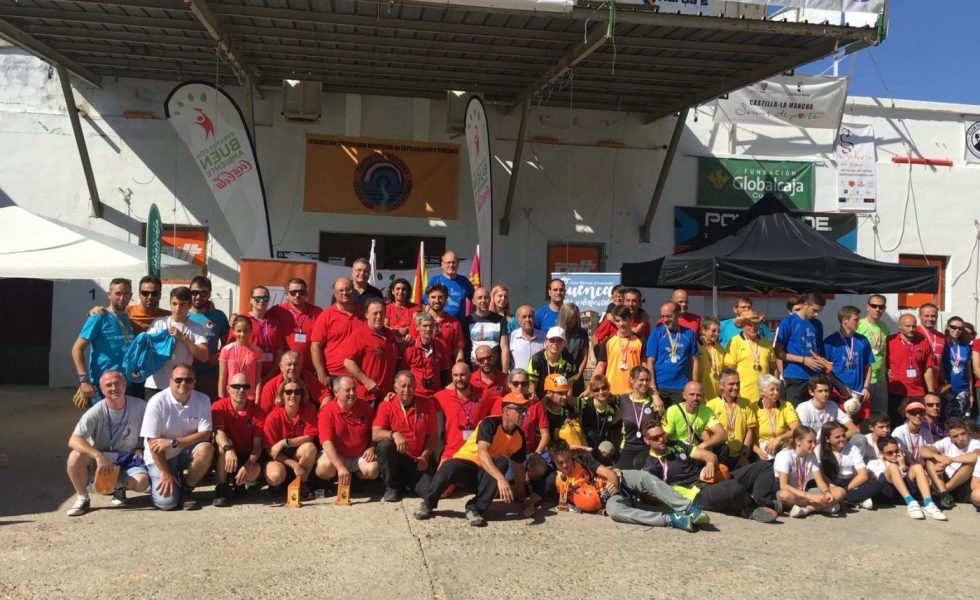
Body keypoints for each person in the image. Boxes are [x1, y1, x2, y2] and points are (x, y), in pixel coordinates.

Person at [414, 394, 529, 527]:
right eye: (520, 410)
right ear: (506, 411)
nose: (524, 414)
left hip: (485, 475)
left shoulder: (519, 438)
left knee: (501, 461)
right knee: (449, 465)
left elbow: (518, 467)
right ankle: (428, 503)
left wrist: (521, 498)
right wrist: (501, 479)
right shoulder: (490, 423)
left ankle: (475, 509)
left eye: (525, 410)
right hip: (467, 465)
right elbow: (482, 453)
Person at [551, 438, 707, 530]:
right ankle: (671, 519)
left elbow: (608, 472)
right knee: (616, 513)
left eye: (567, 460)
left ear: (571, 455)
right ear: (553, 462)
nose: (565, 465)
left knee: (646, 477)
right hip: (608, 502)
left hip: (618, 479)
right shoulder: (554, 479)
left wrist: (613, 482)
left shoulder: (581, 459)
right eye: (560, 463)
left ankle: (688, 508)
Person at [642, 420, 777, 524]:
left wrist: (710, 464)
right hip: (698, 494)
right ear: (646, 440)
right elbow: (648, 495)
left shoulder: (676, 445)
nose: (661, 440)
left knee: (764, 465)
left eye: (662, 435)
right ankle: (751, 508)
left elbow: (709, 455)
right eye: (655, 438)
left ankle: (762, 503)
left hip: (710, 479)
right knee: (732, 487)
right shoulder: (651, 467)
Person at [65, 370, 149, 516]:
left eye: (117, 383)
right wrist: (97, 456)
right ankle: (83, 497)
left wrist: (141, 447)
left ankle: (117, 487)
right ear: (102, 390)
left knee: (141, 483)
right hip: (101, 460)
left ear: (124, 385)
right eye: (108, 385)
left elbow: (151, 430)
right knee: (75, 457)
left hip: (127, 458)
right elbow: (74, 439)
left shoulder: (140, 405)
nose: (113, 388)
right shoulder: (96, 411)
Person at [141, 364, 214, 510]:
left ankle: (187, 489)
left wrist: (174, 442)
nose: (183, 383)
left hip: (183, 450)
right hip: (162, 456)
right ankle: (156, 477)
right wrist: (165, 472)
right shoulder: (157, 402)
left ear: (194, 382)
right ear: (170, 381)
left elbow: (205, 434)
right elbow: (153, 444)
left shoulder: (203, 399)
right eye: (178, 380)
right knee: (167, 504)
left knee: (207, 449)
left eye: (188, 380)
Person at [372, 371, 438, 502]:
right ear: (395, 388)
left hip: (416, 460)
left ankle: (405, 482)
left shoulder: (427, 404)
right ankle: (391, 487)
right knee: (385, 445)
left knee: (429, 492)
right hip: (395, 458)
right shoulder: (386, 405)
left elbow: (432, 437)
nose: (406, 390)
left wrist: (425, 456)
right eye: (403, 386)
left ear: (415, 386)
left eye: (410, 386)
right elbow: (375, 434)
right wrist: (394, 434)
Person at [71, 278, 134, 404]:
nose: (122, 298)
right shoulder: (99, 317)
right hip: (104, 388)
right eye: (118, 294)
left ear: (131, 295)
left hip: (125, 386)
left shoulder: (127, 317)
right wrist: (83, 380)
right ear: (109, 295)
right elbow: (77, 349)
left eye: (126, 294)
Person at [314, 375, 380, 489]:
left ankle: (356, 480)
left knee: (373, 470)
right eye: (347, 390)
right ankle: (334, 481)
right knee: (323, 468)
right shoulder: (327, 411)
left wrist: (372, 447)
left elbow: (374, 431)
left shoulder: (364, 406)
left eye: (354, 389)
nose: (352, 393)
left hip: (359, 455)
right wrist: (340, 467)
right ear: (336, 392)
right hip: (337, 455)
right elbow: (326, 443)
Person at [211, 372, 266, 507]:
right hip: (226, 454)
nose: (241, 390)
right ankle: (222, 486)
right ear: (228, 389)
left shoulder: (258, 411)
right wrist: (229, 449)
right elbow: (218, 433)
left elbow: (257, 447)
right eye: (236, 386)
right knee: (223, 443)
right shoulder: (218, 407)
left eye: (245, 386)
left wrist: (246, 467)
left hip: (246, 455)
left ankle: (239, 484)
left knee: (254, 471)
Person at [143, 287, 209, 399]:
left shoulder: (196, 327)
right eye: (174, 303)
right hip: (155, 385)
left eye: (182, 304)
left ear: (189, 305)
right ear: (169, 303)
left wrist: (183, 338)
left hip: (182, 386)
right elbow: (146, 348)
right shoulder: (159, 322)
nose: (177, 308)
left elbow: (204, 356)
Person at [262, 376, 318, 500]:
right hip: (277, 458)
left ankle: (300, 483)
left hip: (297, 453)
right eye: (288, 392)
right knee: (275, 476)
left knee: (310, 448)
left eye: (297, 391)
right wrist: (294, 465)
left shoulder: (310, 409)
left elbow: (310, 437)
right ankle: (277, 486)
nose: (293, 395)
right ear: (282, 395)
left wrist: (285, 442)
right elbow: (270, 451)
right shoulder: (273, 417)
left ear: (302, 394)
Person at [867, 436, 947, 520]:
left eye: (896, 451)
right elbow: (875, 481)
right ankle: (911, 502)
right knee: (893, 467)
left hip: (902, 495)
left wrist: (902, 465)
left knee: (918, 467)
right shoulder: (874, 463)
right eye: (889, 453)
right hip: (886, 493)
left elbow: (922, 481)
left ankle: (929, 503)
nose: (894, 454)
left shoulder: (904, 463)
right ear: (881, 454)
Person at [773, 426, 845, 517]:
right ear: (798, 441)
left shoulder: (811, 454)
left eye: (815, 442)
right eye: (810, 442)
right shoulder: (785, 456)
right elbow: (783, 486)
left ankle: (807, 509)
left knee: (840, 491)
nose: (814, 445)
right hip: (792, 494)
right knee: (784, 495)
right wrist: (811, 496)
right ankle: (822, 507)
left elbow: (819, 481)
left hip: (804, 492)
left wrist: (826, 492)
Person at [343, 298, 400, 406]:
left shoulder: (390, 335)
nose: (379, 317)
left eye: (382, 313)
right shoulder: (359, 335)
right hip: (366, 396)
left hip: (386, 397)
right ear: (367, 315)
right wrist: (366, 381)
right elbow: (348, 362)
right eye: (375, 313)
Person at [434, 362, 493, 463]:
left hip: (476, 452)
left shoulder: (484, 394)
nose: (459, 379)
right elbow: (421, 403)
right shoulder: (442, 396)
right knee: (440, 478)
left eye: (462, 375)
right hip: (451, 452)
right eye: (455, 375)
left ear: (470, 375)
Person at [774, 291, 826, 406]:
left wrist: (824, 362)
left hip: (814, 377)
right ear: (805, 304)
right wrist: (803, 360)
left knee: (814, 414)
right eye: (814, 310)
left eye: (819, 311)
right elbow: (778, 353)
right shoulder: (788, 322)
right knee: (795, 415)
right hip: (795, 376)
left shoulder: (817, 324)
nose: (817, 314)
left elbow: (819, 350)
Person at [310, 277, 364, 386]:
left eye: (348, 289)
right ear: (334, 293)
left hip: (361, 375)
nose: (345, 293)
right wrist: (322, 374)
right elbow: (315, 347)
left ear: (354, 290)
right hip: (334, 376)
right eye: (341, 290)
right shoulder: (326, 315)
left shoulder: (365, 313)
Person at [885, 313, 936, 427]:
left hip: (917, 391)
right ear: (899, 326)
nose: (911, 329)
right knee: (896, 423)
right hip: (896, 391)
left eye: (913, 326)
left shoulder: (923, 342)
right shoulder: (890, 341)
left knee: (917, 424)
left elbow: (928, 368)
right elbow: (881, 361)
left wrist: (930, 391)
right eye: (907, 326)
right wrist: (885, 371)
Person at [817, 421, 881, 510]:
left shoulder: (852, 448)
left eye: (843, 435)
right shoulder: (819, 450)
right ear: (827, 439)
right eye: (837, 437)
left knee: (877, 484)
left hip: (850, 484)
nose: (842, 439)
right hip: (830, 483)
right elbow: (819, 474)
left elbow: (863, 475)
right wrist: (833, 487)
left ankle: (843, 500)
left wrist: (845, 490)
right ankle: (854, 500)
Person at [646, 301, 699, 407]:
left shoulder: (689, 334)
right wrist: (653, 390)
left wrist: (694, 385)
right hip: (660, 386)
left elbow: (695, 361)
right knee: (659, 421)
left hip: (681, 387)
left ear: (678, 314)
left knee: (680, 421)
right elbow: (650, 361)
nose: (665, 320)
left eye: (669, 316)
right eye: (663, 316)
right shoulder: (656, 333)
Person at [187, 275, 230, 402]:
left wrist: (218, 356)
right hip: (186, 375)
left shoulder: (218, 315)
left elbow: (228, 342)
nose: (198, 296)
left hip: (210, 375)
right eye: (194, 292)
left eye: (203, 293)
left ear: (209, 294)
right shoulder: (182, 314)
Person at [267, 277, 322, 376]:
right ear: (287, 294)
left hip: (310, 370)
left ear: (306, 294)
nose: (297, 295)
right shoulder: (277, 310)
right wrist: (236, 317)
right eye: (293, 292)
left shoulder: (318, 312)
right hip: (285, 371)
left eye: (301, 292)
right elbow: (259, 318)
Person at [921, 417, 979, 509]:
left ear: (967, 431)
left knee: (969, 463)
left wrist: (950, 460)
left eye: (963, 434)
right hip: (945, 479)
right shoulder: (946, 441)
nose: (961, 438)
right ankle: (944, 493)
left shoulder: (974, 442)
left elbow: (975, 455)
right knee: (930, 459)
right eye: (955, 436)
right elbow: (923, 450)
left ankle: (942, 493)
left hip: (963, 483)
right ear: (949, 435)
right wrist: (937, 457)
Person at [412, 283, 464, 385]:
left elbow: (459, 350)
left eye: (440, 297)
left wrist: (459, 370)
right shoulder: (418, 321)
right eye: (433, 297)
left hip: (446, 370)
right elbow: (411, 345)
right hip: (423, 369)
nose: (437, 300)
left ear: (446, 299)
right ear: (427, 299)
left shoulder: (454, 323)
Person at [706, 369, 757, 469]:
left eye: (738, 384)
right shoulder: (711, 405)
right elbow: (705, 432)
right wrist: (711, 454)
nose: (736, 387)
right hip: (720, 455)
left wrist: (743, 456)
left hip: (740, 456)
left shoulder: (746, 404)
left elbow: (750, 432)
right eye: (731, 384)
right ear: (721, 385)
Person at [490, 373, 550, 456]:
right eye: (516, 383)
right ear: (509, 384)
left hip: (527, 452)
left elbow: (545, 435)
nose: (520, 386)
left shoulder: (536, 404)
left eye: (524, 383)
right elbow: (493, 427)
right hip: (502, 451)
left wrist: (537, 454)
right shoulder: (501, 402)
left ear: (528, 385)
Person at [236, 285, 286, 383]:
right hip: (246, 374)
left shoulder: (274, 322)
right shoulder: (241, 320)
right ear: (251, 300)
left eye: (265, 298)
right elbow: (233, 349)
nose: (261, 301)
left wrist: (269, 375)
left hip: (270, 375)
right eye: (258, 298)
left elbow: (279, 351)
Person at [723, 309, 774, 404]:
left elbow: (772, 368)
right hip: (742, 396)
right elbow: (729, 370)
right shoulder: (734, 341)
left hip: (764, 396)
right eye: (749, 324)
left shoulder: (767, 343)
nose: (753, 327)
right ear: (742, 326)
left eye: (755, 324)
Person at [594, 306, 645, 396]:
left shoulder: (640, 341)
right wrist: (590, 387)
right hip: (611, 393)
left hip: (633, 393)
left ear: (630, 319)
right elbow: (600, 366)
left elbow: (645, 367)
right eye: (618, 321)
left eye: (624, 320)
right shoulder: (608, 342)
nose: (621, 324)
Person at [616, 367, 660, 469]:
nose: (645, 383)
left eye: (647, 380)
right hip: (627, 447)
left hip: (648, 448)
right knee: (619, 476)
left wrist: (655, 394)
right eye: (641, 380)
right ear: (632, 380)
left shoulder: (656, 402)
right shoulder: (622, 400)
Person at [662, 380, 725, 452]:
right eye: (692, 394)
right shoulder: (672, 411)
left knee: (723, 448)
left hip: (697, 448)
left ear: (703, 396)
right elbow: (663, 437)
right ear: (684, 395)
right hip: (677, 449)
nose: (695, 398)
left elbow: (722, 434)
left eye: (699, 395)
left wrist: (705, 444)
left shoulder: (707, 411)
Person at [258, 351, 328, 413]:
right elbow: (263, 414)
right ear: (281, 367)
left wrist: (320, 416)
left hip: (305, 421)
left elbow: (326, 397)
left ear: (301, 365)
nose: (292, 368)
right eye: (289, 364)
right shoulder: (270, 387)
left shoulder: (307, 377)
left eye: (295, 364)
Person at [795, 375, 859, 441]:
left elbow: (854, 430)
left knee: (860, 438)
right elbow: (804, 436)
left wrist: (837, 439)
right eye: (820, 391)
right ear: (811, 392)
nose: (825, 394)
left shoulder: (832, 405)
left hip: (831, 445)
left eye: (826, 390)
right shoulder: (803, 408)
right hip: (812, 446)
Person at [461, 286, 510, 371]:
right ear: (473, 301)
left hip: (495, 369)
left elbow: (505, 348)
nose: (483, 301)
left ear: (490, 300)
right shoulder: (466, 321)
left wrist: (505, 372)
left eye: (486, 298)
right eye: (480, 298)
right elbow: (461, 348)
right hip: (473, 369)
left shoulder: (500, 320)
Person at [577, 375, 622, 465]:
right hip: (586, 445)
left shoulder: (615, 403)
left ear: (609, 387)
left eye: (604, 388)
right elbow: (566, 399)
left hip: (603, 446)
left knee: (608, 449)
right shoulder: (584, 403)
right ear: (592, 392)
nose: (601, 392)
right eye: (596, 390)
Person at [752, 374, 799, 460]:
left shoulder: (786, 406)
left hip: (782, 447)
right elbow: (747, 436)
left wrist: (779, 438)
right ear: (762, 392)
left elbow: (796, 429)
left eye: (777, 389)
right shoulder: (753, 408)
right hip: (761, 451)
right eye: (772, 390)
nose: (776, 393)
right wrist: (758, 451)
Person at [217, 315, 263, 402]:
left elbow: (258, 378)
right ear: (233, 331)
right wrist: (221, 399)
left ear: (250, 331)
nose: (242, 334)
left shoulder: (257, 351)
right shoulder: (226, 350)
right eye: (239, 331)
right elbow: (222, 378)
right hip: (230, 397)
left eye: (245, 331)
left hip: (249, 397)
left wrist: (257, 400)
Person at [856, 294, 889, 413]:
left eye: (881, 307)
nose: (877, 309)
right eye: (874, 306)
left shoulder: (884, 327)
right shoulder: (859, 325)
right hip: (864, 378)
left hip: (880, 379)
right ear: (867, 307)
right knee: (862, 415)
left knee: (880, 416)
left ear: (884, 309)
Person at [401, 311, 442, 402]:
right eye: (425, 326)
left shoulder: (439, 346)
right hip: (416, 396)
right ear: (417, 327)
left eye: (431, 326)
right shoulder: (410, 348)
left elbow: (445, 369)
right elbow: (404, 374)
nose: (428, 329)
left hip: (436, 395)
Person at [527, 327, 575, 399]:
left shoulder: (569, 359)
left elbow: (569, 387)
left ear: (564, 343)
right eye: (552, 340)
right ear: (546, 341)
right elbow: (532, 390)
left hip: (560, 400)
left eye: (559, 340)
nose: (555, 344)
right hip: (540, 400)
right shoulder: (536, 360)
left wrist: (565, 405)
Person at [425, 251, 474, 321]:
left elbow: (475, 301)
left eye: (454, 262)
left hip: (460, 325)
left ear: (458, 264)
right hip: (437, 325)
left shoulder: (464, 281)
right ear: (442, 265)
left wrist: (471, 318)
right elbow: (426, 305)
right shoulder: (434, 280)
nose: (451, 265)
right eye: (448, 262)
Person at [940, 316, 971, 422]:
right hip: (947, 389)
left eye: (960, 328)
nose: (957, 330)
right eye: (954, 327)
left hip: (962, 390)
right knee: (946, 421)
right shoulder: (942, 344)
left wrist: (970, 392)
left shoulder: (965, 347)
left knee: (959, 421)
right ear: (947, 327)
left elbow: (969, 371)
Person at [558, 303, 590, 397]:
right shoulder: (557, 332)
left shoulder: (582, 334)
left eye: (576, 317)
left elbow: (584, 357)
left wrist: (576, 377)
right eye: (571, 317)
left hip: (576, 377)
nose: (573, 320)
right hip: (558, 376)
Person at [892, 400, 935, 467]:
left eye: (921, 413)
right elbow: (899, 455)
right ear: (907, 414)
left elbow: (930, 453)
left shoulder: (926, 432)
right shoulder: (899, 431)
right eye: (914, 413)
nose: (918, 415)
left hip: (923, 467)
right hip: (904, 467)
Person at [509, 305, 546, 376]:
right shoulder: (511, 337)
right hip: (518, 382)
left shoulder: (543, 336)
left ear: (534, 319)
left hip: (537, 380)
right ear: (518, 320)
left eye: (530, 316)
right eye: (524, 317)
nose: (528, 320)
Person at [697, 316, 724, 400]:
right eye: (713, 331)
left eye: (718, 331)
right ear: (704, 330)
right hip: (701, 393)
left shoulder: (720, 348)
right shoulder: (696, 345)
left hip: (716, 393)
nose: (716, 334)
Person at [918, 302, 946, 371]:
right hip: (919, 378)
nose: (930, 319)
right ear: (919, 316)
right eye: (926, 316)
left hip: (935, 378)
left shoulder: (941, 337)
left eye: (933, 316)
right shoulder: (914, 333)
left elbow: (941, 360)